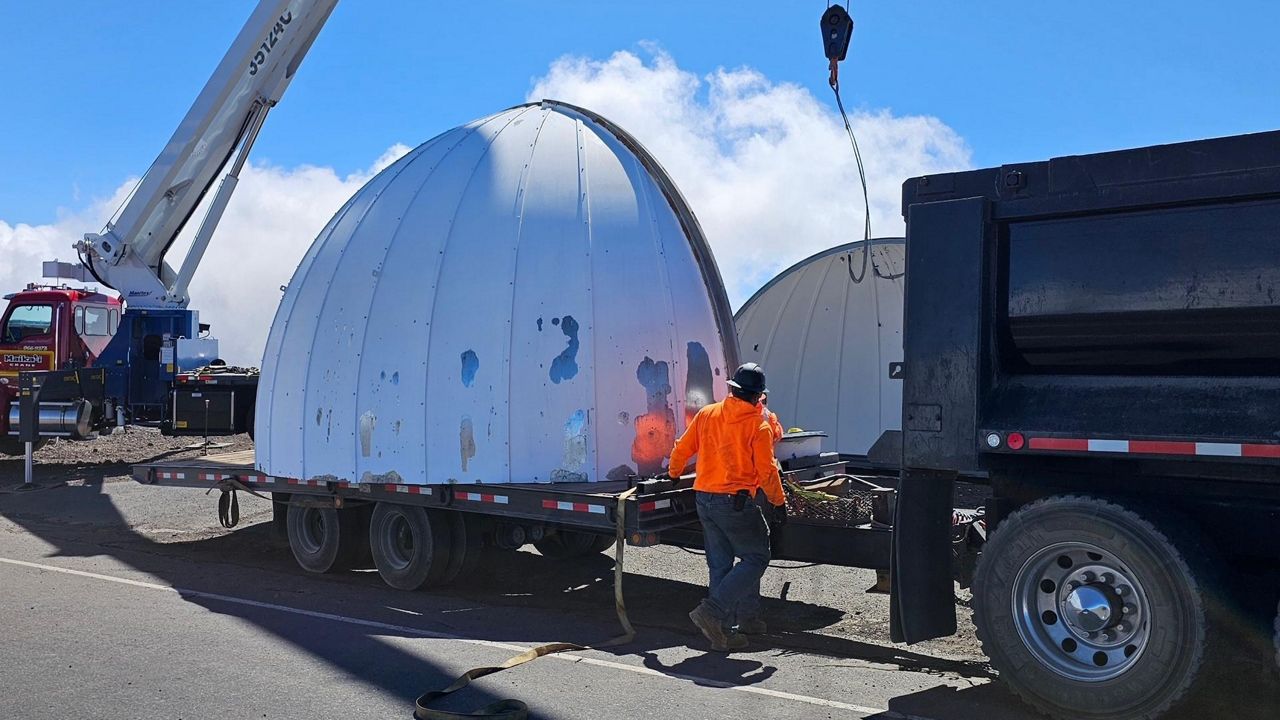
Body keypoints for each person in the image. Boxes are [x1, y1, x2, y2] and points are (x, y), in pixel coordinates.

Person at [667, 362, 786, 651]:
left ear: (732, 389)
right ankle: (712, 612)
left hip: (704, 498)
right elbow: (768, 469)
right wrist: (778, 501)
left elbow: (682, 447)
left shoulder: (708, 413)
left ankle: (735, 624)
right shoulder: (759, 424)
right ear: (758, 395)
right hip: (735, 501)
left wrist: (672, 473)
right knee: (755, 558)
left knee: (720, 564)